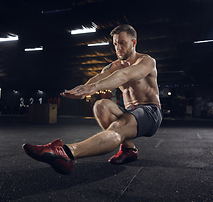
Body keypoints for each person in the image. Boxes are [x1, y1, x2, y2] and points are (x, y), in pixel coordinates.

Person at [22, 24, 162, 175]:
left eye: (122, 43)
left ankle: (67, 153)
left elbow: (125, 75)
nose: (118, 48)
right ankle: (129, 149)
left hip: (150, 112)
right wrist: (83, 90)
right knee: (100, 105)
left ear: (133, 42)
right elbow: (98, 78)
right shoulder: (114, 66)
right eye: (115, 44)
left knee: (118, 128)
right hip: (130, 111)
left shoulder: (147, 61)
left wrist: (94, 87)